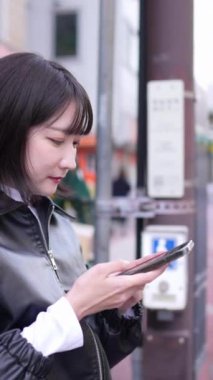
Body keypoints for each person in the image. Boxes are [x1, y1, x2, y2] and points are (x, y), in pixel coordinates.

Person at [0, 52, 166, 380]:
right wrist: (73, 307)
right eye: (56, 140)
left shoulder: (56, 222)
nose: (71, 161)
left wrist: (117, 308)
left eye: (75, 143)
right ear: (9, 128)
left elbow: (86, 358)